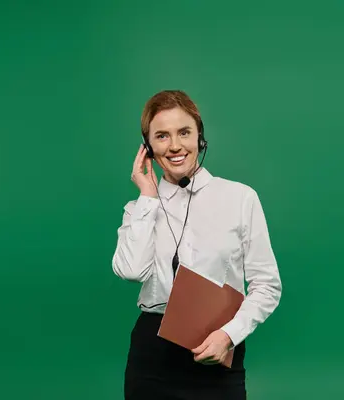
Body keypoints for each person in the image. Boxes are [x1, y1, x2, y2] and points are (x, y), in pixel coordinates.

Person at [111, 90, 282, 399]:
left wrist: (230, 335)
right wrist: (147, 196)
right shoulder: (138, 210)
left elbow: (267, 285)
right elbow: (131, 271)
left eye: (184, 132)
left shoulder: (240, 198)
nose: (175, 145)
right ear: (147, 148)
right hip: (152, 356)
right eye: (162, 136)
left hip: (216, 347)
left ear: (200, 138)